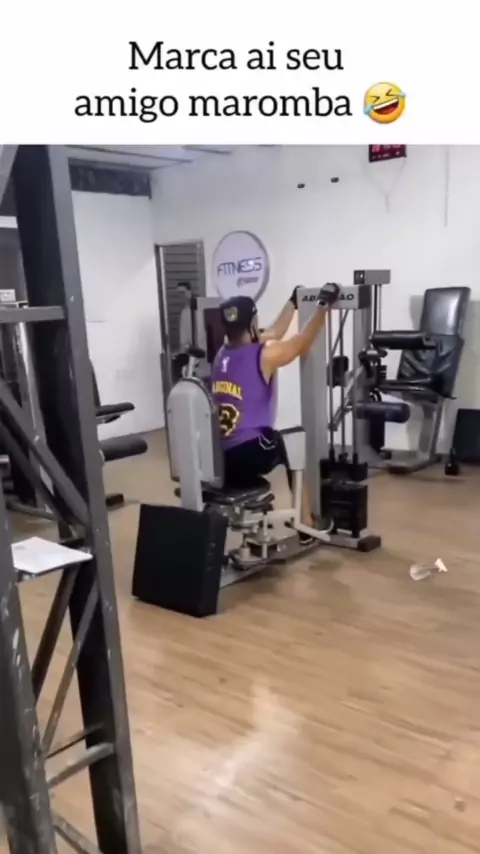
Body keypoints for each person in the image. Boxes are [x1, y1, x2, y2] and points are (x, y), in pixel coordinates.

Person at [211, 282, 340, 543]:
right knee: (291, 446)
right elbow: (301, 342)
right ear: (252, 323)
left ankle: (301, 520)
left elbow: (276, 331)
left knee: (280, 443)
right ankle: (306, 525)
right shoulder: (265, 356)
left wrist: (292, 302)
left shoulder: (222, 354)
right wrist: (323, 308)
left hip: (222, 457)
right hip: (250, 451)